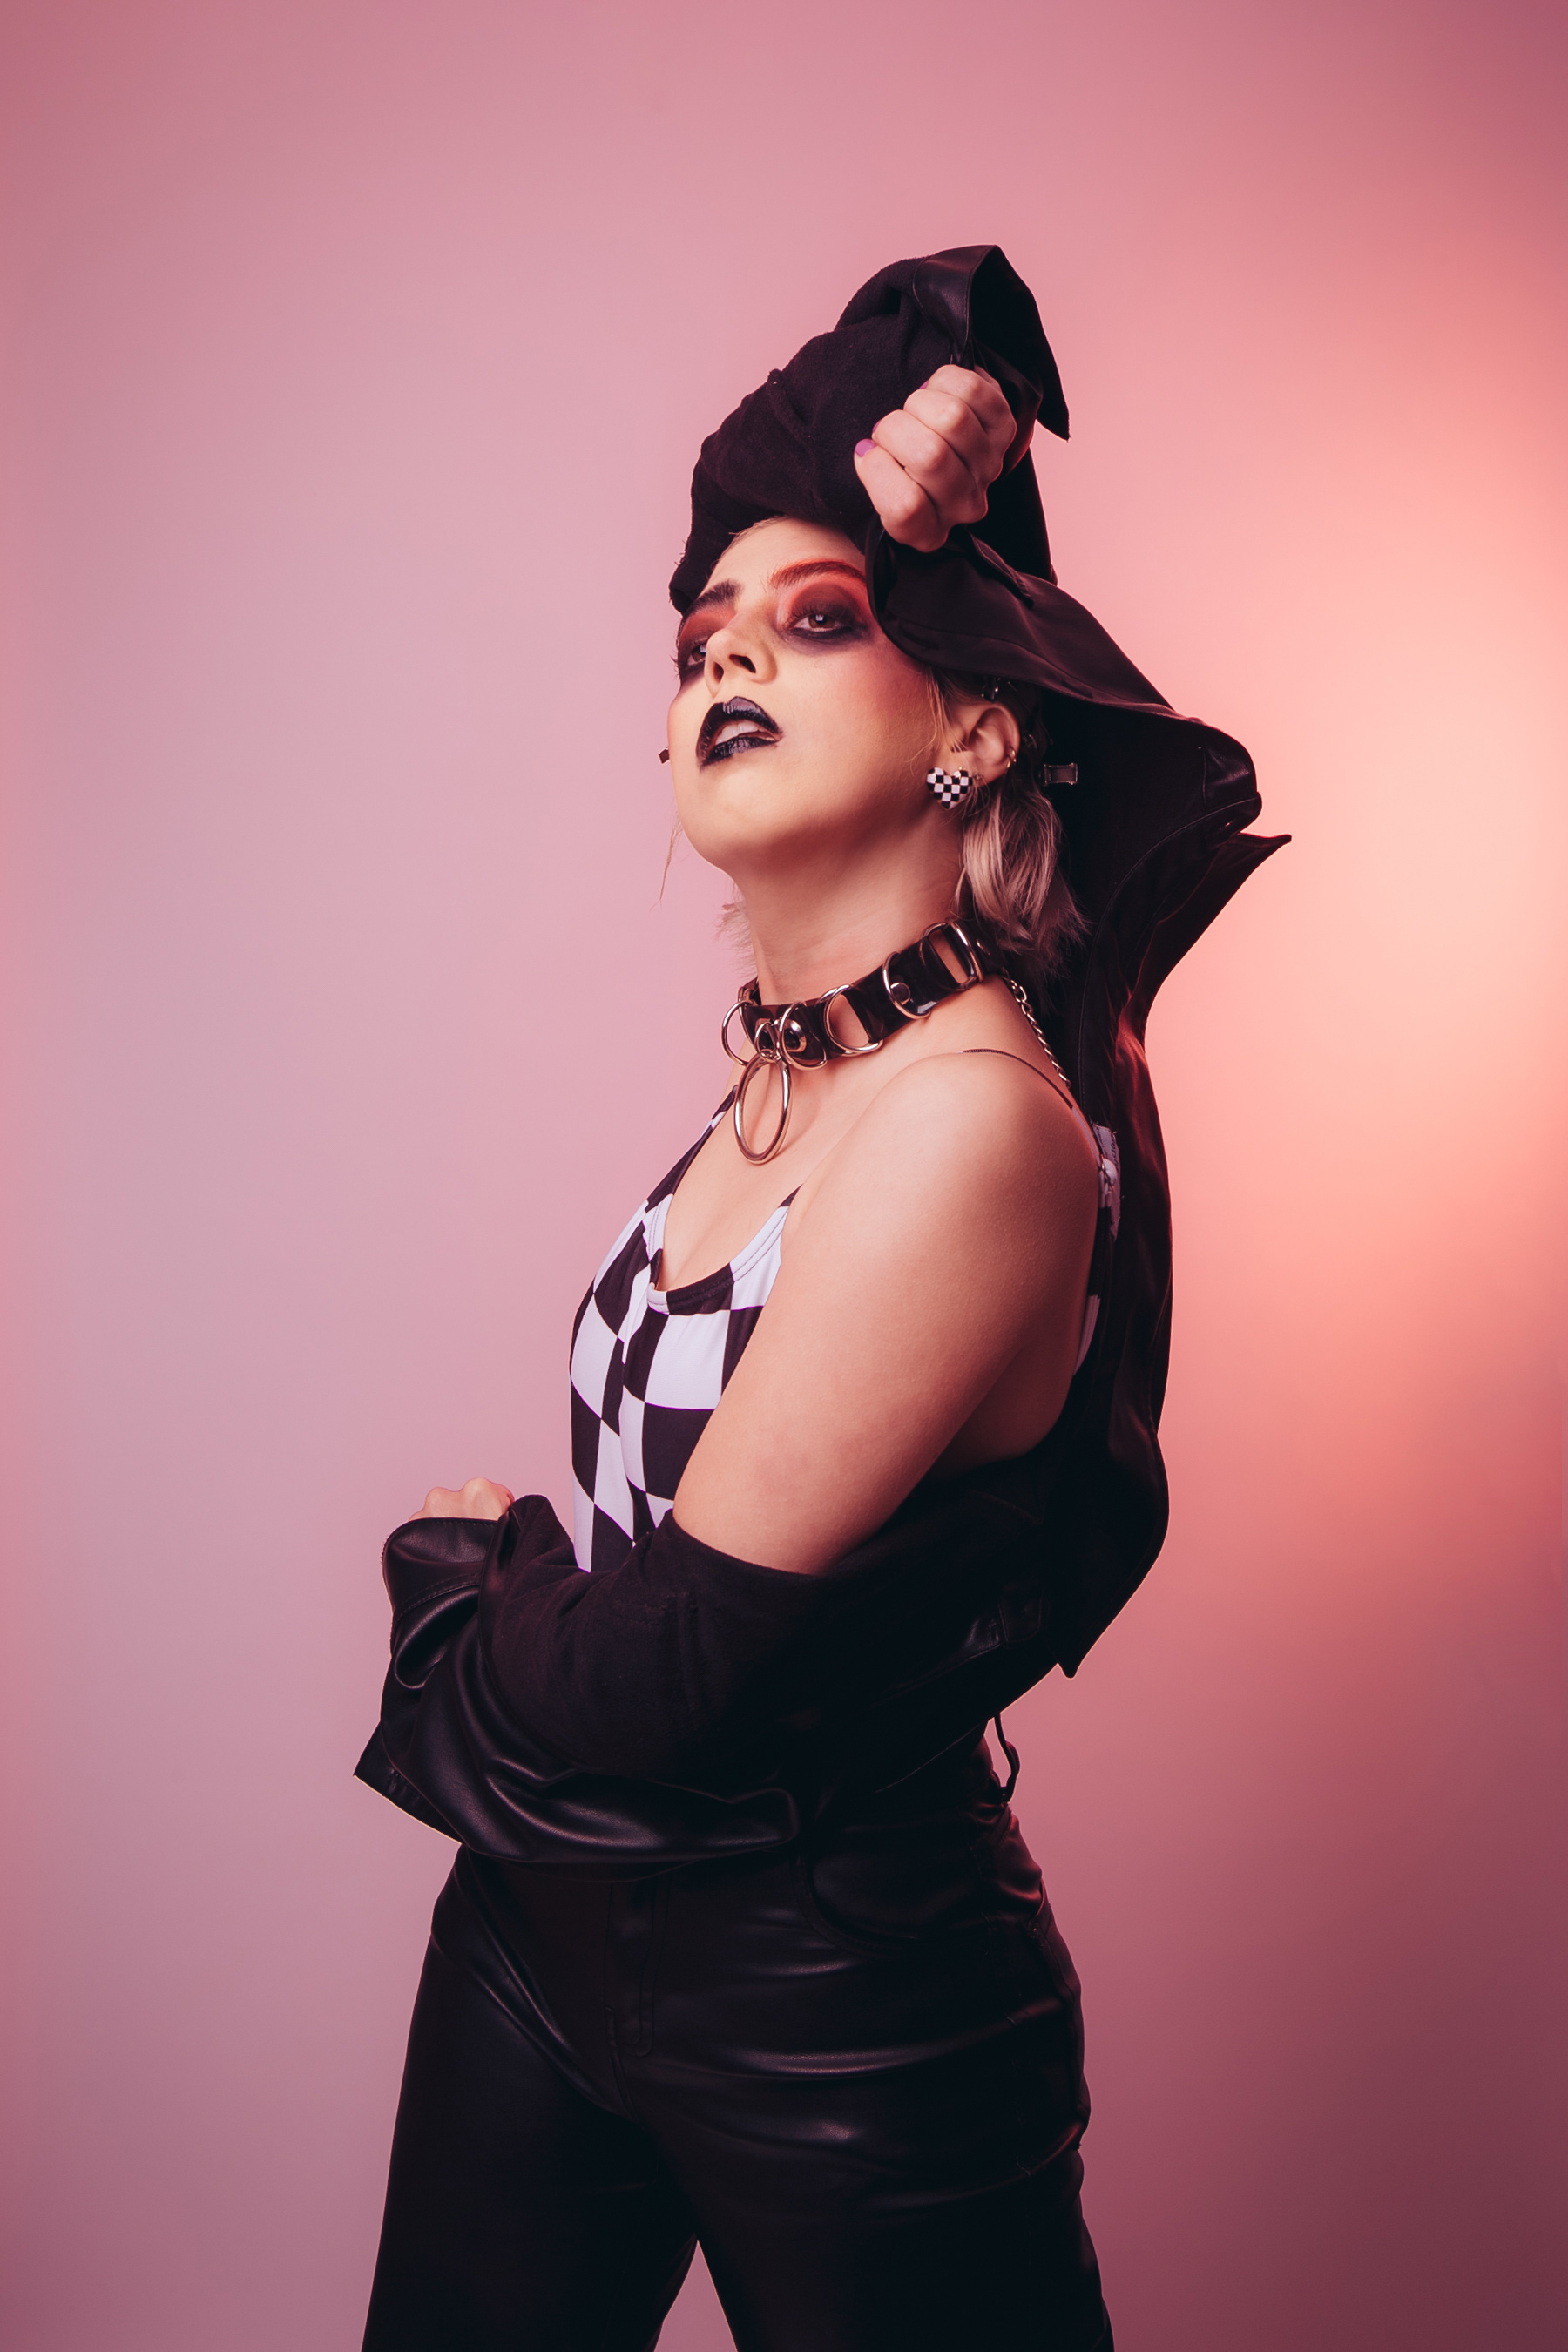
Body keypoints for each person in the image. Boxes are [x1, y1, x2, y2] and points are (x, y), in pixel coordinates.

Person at [355, 247, 1282, 2351]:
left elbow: (673, 1660)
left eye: (821, 614)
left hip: (833, 1995)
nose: (728, 663)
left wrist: (466, 1584)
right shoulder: (791, 1084)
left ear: (975, 726)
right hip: (538, 1924)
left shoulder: (973, 1126)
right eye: (701, 641)